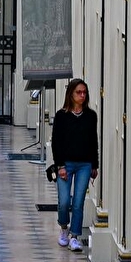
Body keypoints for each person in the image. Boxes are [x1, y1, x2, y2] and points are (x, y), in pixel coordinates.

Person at [45, 78, 99, 251]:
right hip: (65, 164)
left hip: (84, 164)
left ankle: (74, 236)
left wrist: (94, 165)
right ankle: (63, 227)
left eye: (84, 93)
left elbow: (93, 141)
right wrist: (60, 165)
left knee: (78, 201)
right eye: (78, 92)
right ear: (71, 94)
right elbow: (57, 142)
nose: (82, 95)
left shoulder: (91, 116)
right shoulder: (62, 116)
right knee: (63, 201)